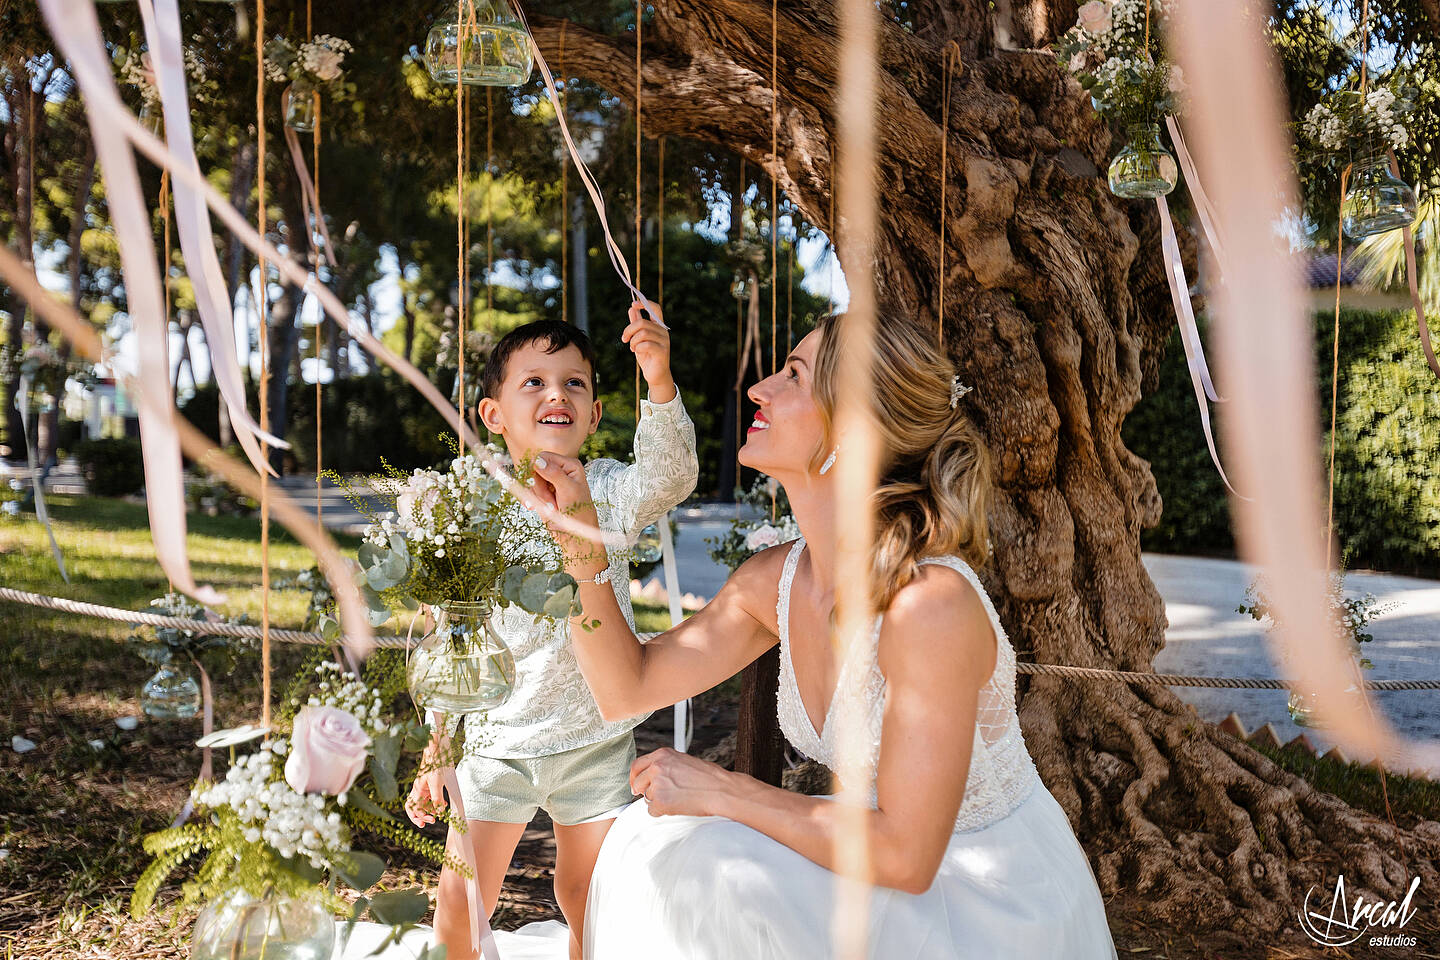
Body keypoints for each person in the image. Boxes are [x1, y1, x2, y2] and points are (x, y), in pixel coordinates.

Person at [528, 314, 1119, 959]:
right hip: (868, 871)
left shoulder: (928, 607)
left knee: (705, 850)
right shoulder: (772, 582)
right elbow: (624, 688)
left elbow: (907, 856)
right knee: (662, 846)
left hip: (982, 901)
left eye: (794, 375)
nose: (759, 389)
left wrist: (725, 789)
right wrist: (582, 551)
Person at [403, 306, 699, 960]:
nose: (556, 393)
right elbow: (451, 638)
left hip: (595, 743)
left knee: (589, 901)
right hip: (493, 745)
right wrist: (437, 747)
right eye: (533, 383)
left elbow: (672, 476)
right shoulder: (467, 510)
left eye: (574, 383)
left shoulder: (612, 493)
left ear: (594, 415)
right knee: (460, 904)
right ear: (493, 415)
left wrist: (657, 376)